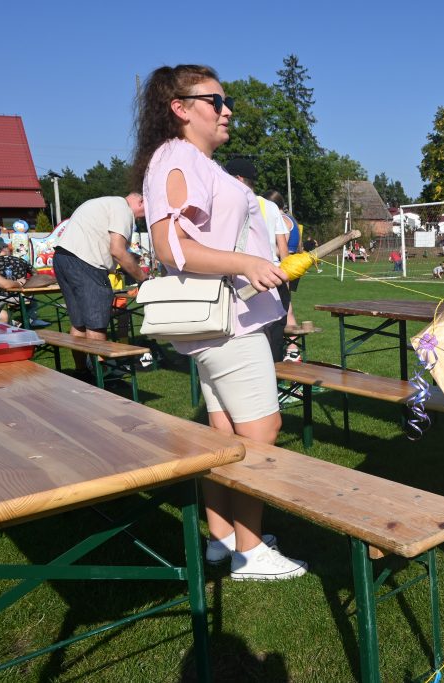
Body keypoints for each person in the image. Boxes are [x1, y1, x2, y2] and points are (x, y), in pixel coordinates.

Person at [133, 63, 305, 581]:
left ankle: (223, 539)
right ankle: (250, 552)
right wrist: (247, 263)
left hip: (225, 317)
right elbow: (171, 246)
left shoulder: (192, 160)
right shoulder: (177, 158)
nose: (226, 110)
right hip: (231, 322)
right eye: (215, 101)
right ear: (180, 108)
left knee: (224, 432)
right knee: (262, 430)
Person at [52, 193, 148, 370]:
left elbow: (102, 242)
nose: (142, 218)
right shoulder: (123, 208)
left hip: (62, 258)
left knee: (79, 324)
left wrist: (128, 259)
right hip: (86, 264)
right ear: (141, 201)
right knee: (96, 325)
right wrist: (143, 278)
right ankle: (100, 377)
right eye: (144, 212)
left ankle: (82, 372)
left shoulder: (102, 202)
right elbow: (117, 251)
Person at [225, 160, 293, 364]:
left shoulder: (232, 204)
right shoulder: (271, 206)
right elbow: (283, 248)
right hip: (274, 277)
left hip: (245, 278)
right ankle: (275, 377)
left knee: (245, 334)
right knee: (275, 334)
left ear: (238, 179)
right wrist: (286, 280)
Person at [262, 190, 303, 361]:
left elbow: (281, 247)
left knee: (285, 311)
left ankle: (292, 349)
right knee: (288, 309)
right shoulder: (291, 219)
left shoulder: (281, 219)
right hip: (292, 266)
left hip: (285, 266)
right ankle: (292, 350)